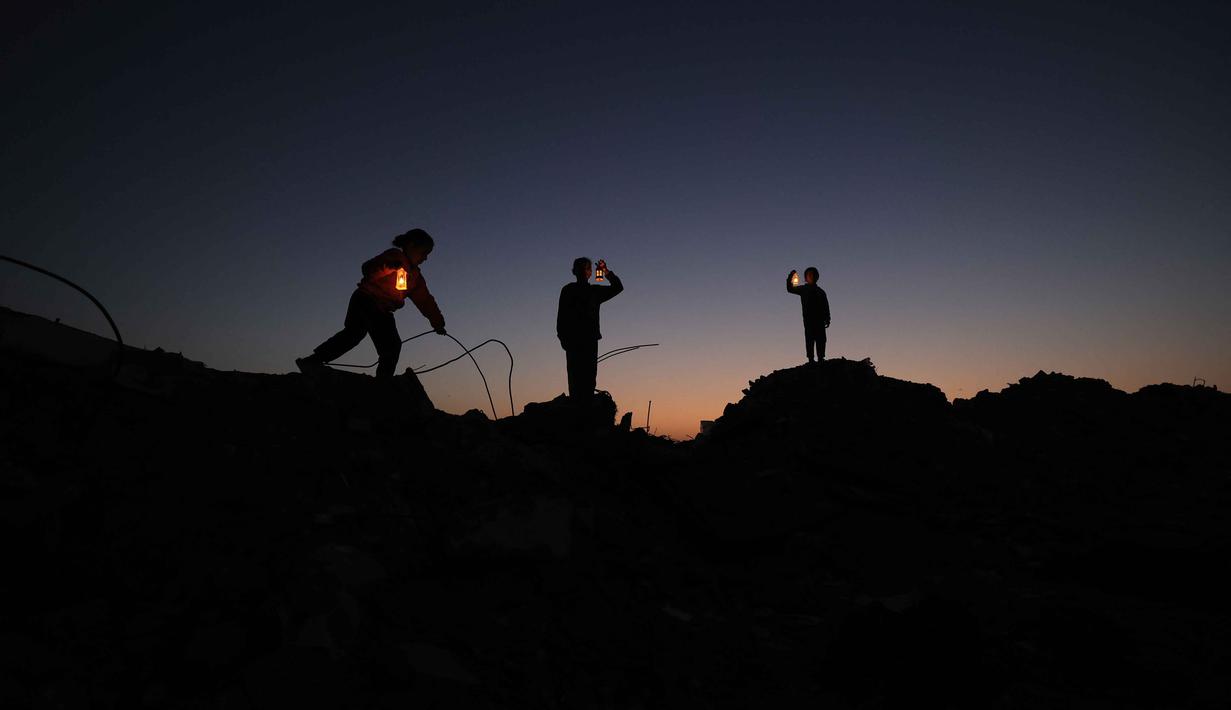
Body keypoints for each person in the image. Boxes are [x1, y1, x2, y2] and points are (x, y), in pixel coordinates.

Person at [297, 228, 446, 379]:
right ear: (411, 245)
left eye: (427, 254)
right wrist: (389, 267)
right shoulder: (394, 256)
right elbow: (368, 268)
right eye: (424, 253)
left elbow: (425, 301)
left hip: (383, 309)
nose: (425, 258)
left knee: (357, 336)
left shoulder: (415, 277)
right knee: (383, 343)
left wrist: (437, 323)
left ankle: (313, 361)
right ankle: (383, 381)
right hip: (366, 300)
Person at [557, 257, 623, 400]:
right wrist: (563, 338)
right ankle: (579, 405)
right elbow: (561, 317)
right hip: (574, 340)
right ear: (575, 271)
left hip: (588, 340)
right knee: (576, 378)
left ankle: (585, 405)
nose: (584, 271)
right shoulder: (570, 290)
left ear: (590, 272)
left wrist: (605, 271)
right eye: (582, 268)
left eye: (587, 268)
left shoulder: (593, 291)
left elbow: (618, 287)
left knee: (587, 378)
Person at [786, 266, 830, 363]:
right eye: (809, 275)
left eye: (813, 274)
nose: (811, 276)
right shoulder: (804, 289)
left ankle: (821, 358)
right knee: (810, 338)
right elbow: (790, 289)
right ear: (806, 277)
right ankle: (811, 359)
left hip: (820, 319)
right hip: (808, 319)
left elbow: (825, 305)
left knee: (821, 339)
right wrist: (790, 277)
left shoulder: (821, 292)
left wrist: (827, 318)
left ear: (817, 277)